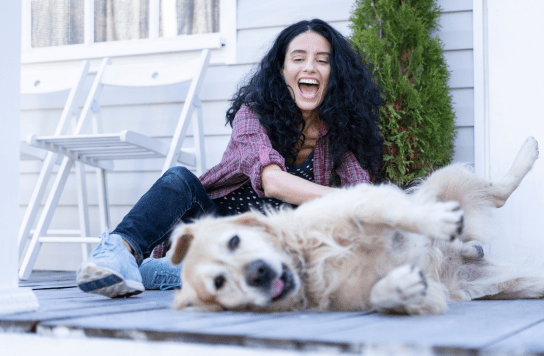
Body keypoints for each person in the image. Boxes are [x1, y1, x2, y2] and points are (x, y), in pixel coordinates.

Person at [75, 18, 385, 298]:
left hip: (268, 247)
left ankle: (178, 273)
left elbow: (361, 190)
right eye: (298, 59)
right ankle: (118, 252)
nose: (310, 68)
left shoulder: (342, 131)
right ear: (282, 70)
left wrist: (373, 211)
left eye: (322, 60)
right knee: (179, 178)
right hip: (212, 229)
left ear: (335, 74)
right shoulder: (253, 115)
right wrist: (349, 200)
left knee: (304, 253)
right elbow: (273, 181)